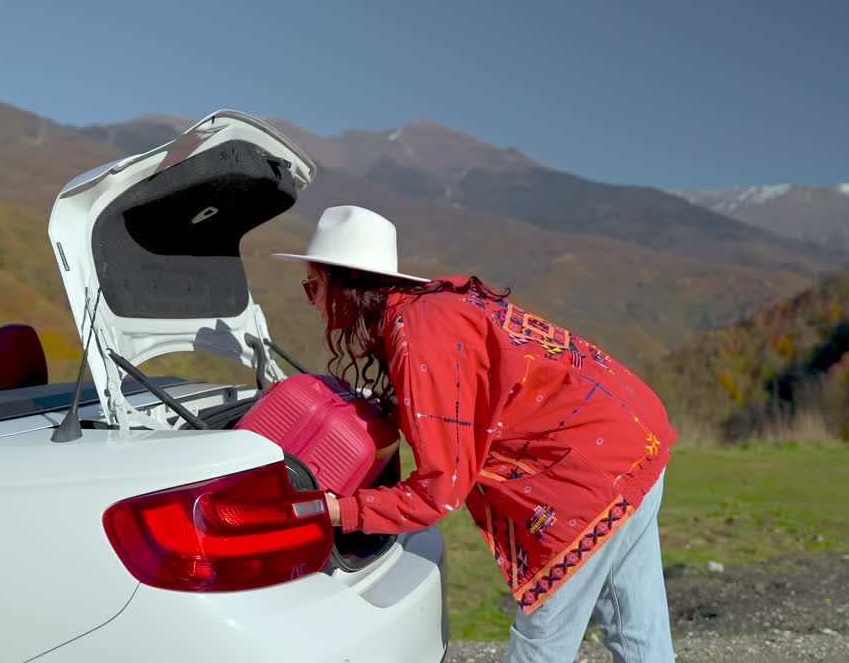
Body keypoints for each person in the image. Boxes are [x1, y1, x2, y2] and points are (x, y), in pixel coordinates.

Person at [273, 205, 678, 663]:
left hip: (590, 470)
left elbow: (436, 494)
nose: (312, 302)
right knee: (633, 622)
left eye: (313, 287)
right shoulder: (434, 307)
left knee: (543, 642)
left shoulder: (420, 337)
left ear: (344, 287)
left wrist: (337, 511)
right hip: (635, 435)